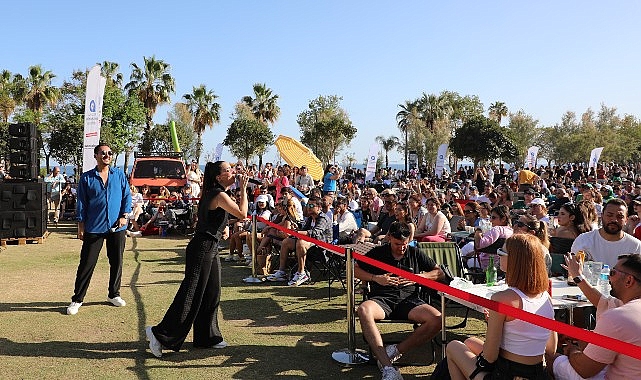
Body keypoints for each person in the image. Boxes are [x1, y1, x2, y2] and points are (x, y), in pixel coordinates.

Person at [145, 161, 249, 358]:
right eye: (228, 170)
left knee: (212, 292)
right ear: (219, 177)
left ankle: (207, 337)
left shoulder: (215, 193)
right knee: (191, 294)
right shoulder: (218, 194)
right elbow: (243, 214)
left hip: (210, 246)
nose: (233, 172)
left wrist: (224, 226)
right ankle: (159, 334)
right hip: (202, 248)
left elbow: (213, 217)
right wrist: (243, 189)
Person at [447, 234, 556, 380]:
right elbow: (551, 348)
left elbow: (490, 356)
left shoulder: (502, 299)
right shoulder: (546, 298)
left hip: (507, 374)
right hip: (538, 373)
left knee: (453, 346)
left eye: (501, 252)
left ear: (514, 260)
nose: (497, 255)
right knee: (469, 342)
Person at [355, 221, 444, 380]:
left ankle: (395, 350)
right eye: (397, 244)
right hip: (382, 299)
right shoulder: (378, 252)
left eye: (405, 244)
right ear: (389, 238)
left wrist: (418, 277)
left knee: (438, 319)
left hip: (410, 300)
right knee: (363, 310)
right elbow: (355, 269)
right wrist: (376, 278)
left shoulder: (414, 252)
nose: (402, 248)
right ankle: (388, 367)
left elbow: (439, 273)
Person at [549, 252, 641, 379]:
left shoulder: (617, 316)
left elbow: (584, 369)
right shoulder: (626, 307)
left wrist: (571, 350)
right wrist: (578, 276)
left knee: (554, 359)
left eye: (612, 272)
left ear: (629, 280)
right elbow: (601, 301)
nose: (609, 278)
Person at [66, 144, 131, 316]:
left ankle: (114, 294)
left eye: (109, 153)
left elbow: (127, 196)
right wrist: (81, 227)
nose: (107, 155)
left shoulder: (119, 175)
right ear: (96, 156)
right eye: (103, 153)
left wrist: (124, 215)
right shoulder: (87, 178)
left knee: (116, 261)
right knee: (87, 263)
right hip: (94, 227)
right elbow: (81, 204)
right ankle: (77, 299)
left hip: (117, 227)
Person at [571, 198, 641, 268]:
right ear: (602, 216)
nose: (614, 220)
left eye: (620, 216)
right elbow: (573, 272)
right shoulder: (583, 240)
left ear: (626, 220)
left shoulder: (636, 246)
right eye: (609, 215)